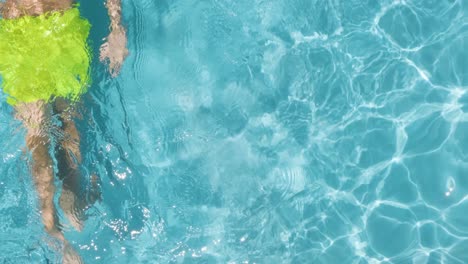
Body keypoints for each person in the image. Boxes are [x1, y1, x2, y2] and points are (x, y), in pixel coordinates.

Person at [0, 0, 128, 261]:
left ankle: (58, 221)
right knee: (65, 127)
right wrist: (116, 26)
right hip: (54, 30)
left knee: (41, 138)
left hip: (27, 33)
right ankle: (64, 213)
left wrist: (117, 30)